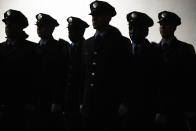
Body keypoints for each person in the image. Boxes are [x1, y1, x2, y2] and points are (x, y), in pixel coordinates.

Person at [81, 1, 130, 131]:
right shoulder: (87, 43)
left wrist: (125, 102)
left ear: (108, 17)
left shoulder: (120, 42)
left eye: (98, 15)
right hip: (88, 106)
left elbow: (126, 74)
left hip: (110, 105)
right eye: (93, 15)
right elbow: (84, 74)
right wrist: (82, 101)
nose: (94, 18)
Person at [155, 11, 196, 131]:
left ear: (174, 27)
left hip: (178, 107)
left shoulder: (185, 49)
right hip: (156, 108)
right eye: (161, 24)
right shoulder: (152, 50)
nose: (162, 27)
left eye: (166, 24)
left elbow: (191, 80)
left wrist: (191, 108)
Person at [121, 11, 161, 131]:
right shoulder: (122, 50)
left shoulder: (155, 52)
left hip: (147, 110)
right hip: (124, 110)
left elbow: (160, 84)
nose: (132, 30)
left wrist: (160, 110)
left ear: (146, 31)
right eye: (130, 27)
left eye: (136, 27)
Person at [0, 9, 38, 131]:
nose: (8, 26)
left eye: (12, 23)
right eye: (6, 23)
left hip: (21, 106)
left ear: (21, 27)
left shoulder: (32, 48)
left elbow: (35, 78)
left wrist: (31, 101)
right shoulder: (0, 48)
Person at [35, 13, 70, 130]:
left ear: (51, 29)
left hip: (51, 100)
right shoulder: (33, 48)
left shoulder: (59, 48)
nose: (39, 29)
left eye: (42, 26)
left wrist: (57, 100)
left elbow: (61, 76)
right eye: (38, 26)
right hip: (35, 100)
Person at [65, 16, 89, 131]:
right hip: (66, 100)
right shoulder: (66, 48)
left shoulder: (88, 48)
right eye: (69, 29)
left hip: (80, 100)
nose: (70, 32)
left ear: (81, 31)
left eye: (73, 30)